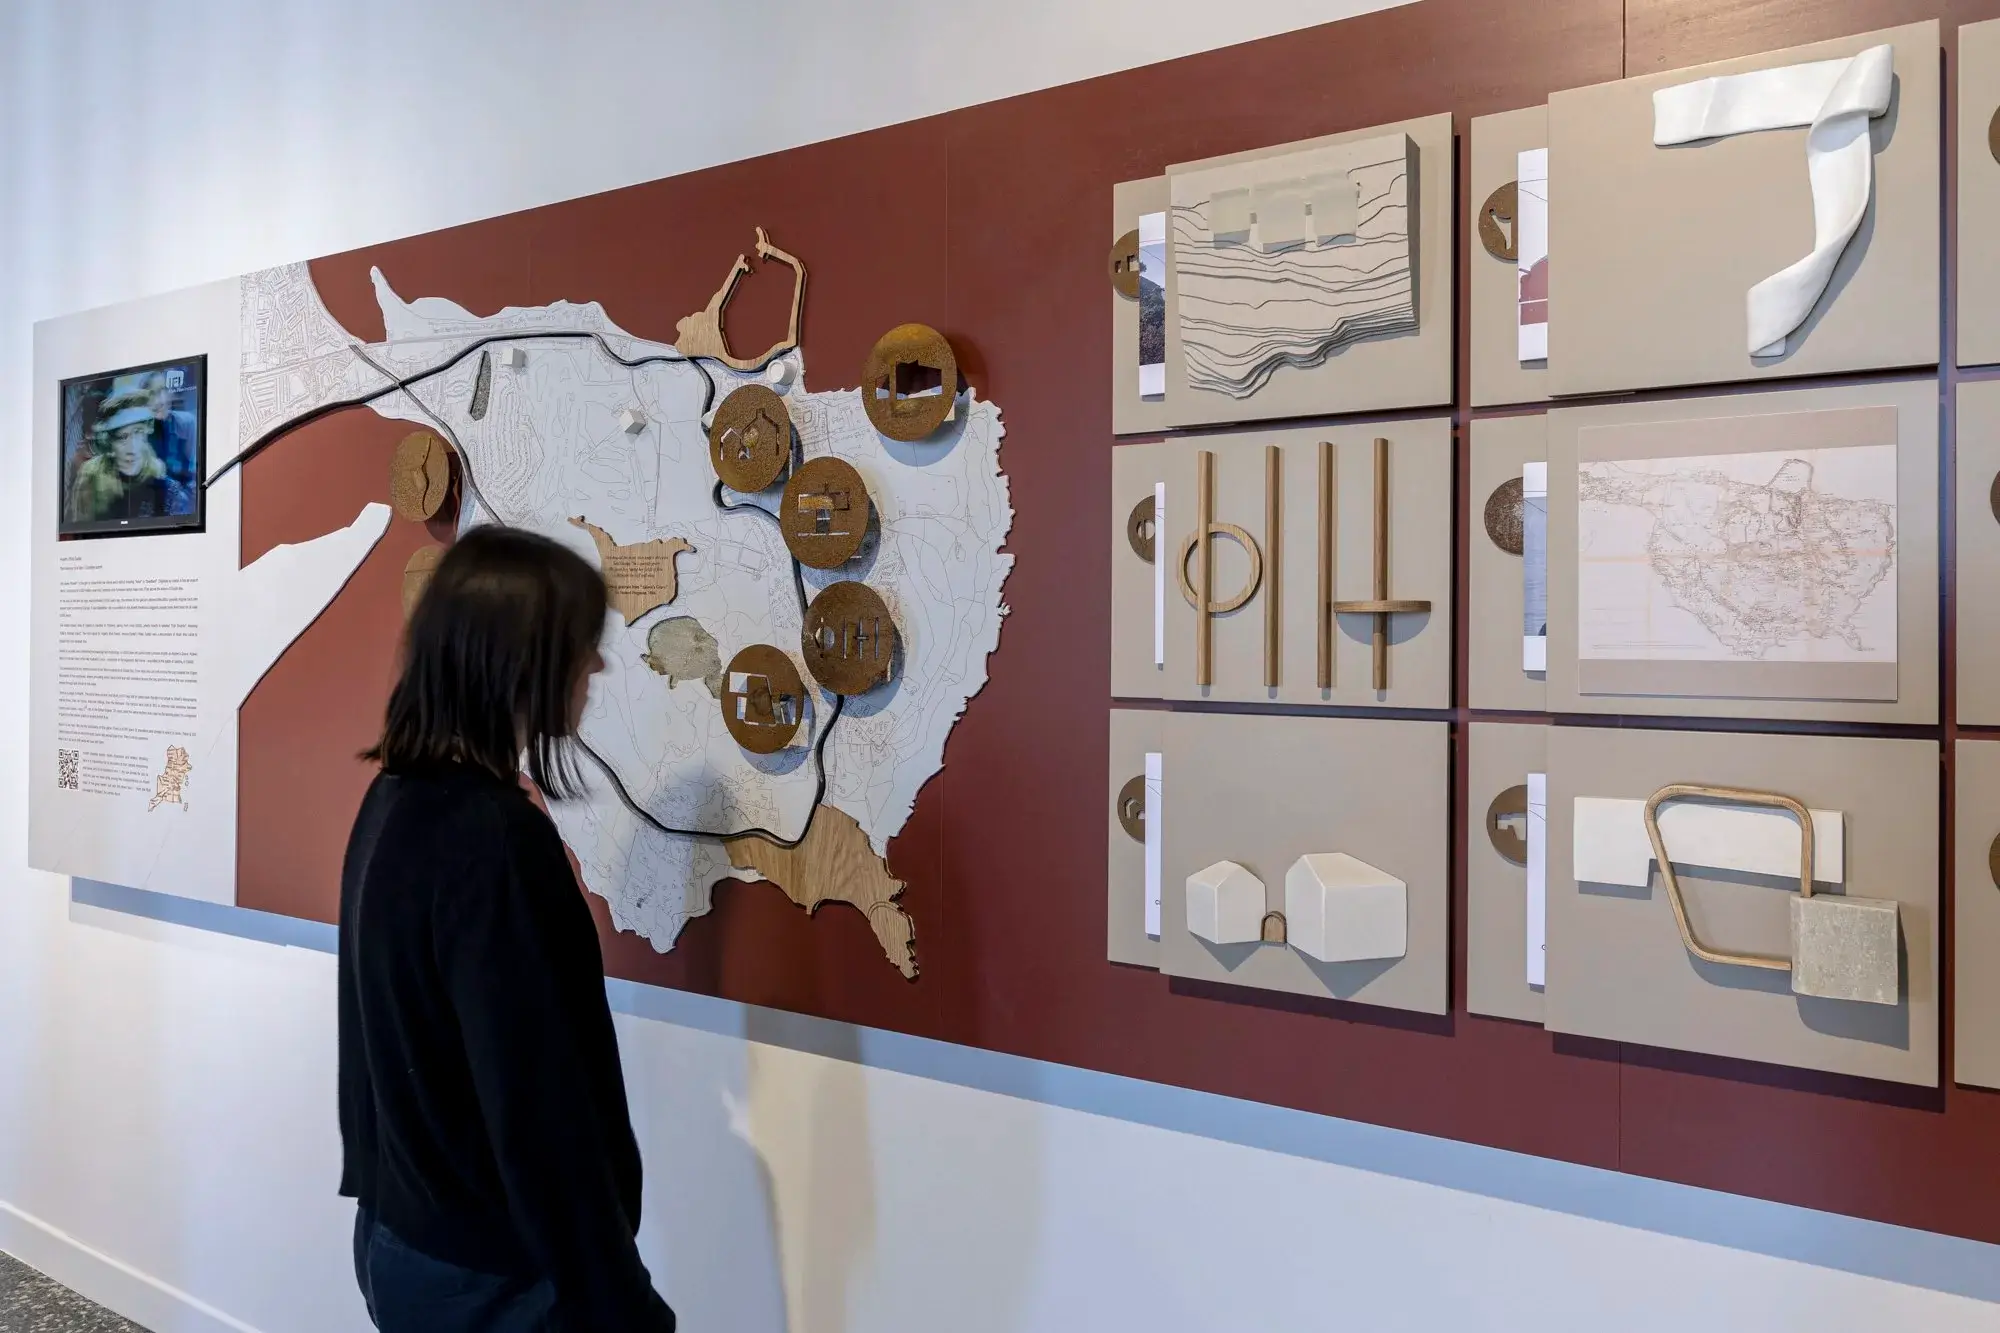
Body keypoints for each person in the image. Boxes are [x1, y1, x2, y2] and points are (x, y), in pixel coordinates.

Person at [338, 524, 677, 1333]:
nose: (596, 667)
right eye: (579, 644)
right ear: (522, 659)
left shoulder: (395, 797)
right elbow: (538, 1106)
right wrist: (617, 1301)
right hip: (496, 1273)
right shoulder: (492, 841)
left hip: (406, 1236)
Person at [67, 396, 190, 524]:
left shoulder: (169, 491)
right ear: (108, 442)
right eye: (122, 437)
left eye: (138, 433)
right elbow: (81, 528)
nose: (132, 449)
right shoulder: (89, 477)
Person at [145, 370, 200, 486]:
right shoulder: (140, 431)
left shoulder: (187, 423)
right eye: (152, 394)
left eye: (163, 390)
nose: (160, 401)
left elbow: (195, 473)